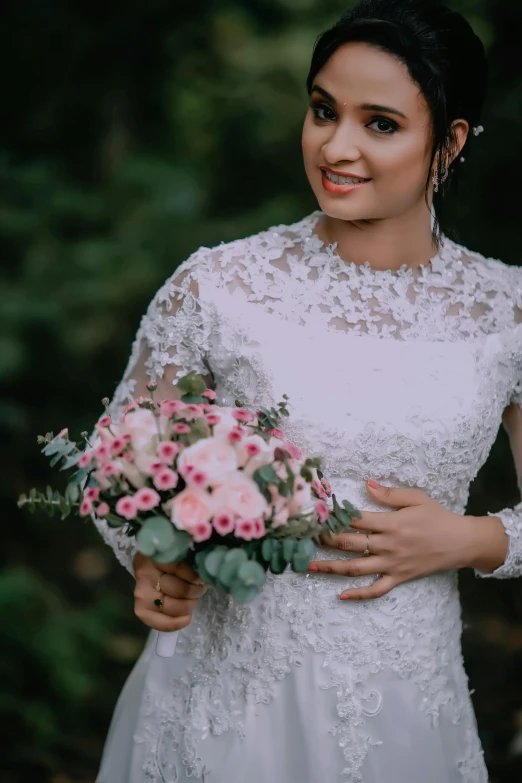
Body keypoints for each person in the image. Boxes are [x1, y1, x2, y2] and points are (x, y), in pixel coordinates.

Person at [94, 1, 522, 781]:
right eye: (324, 110)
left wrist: (472, 539)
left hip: (402, 706)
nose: (337, 146)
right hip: (218, 697)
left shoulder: (508, 310)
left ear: (451, 142)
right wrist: (155, 562)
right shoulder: (218, 286)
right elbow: (122, 458)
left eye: (380, 124)